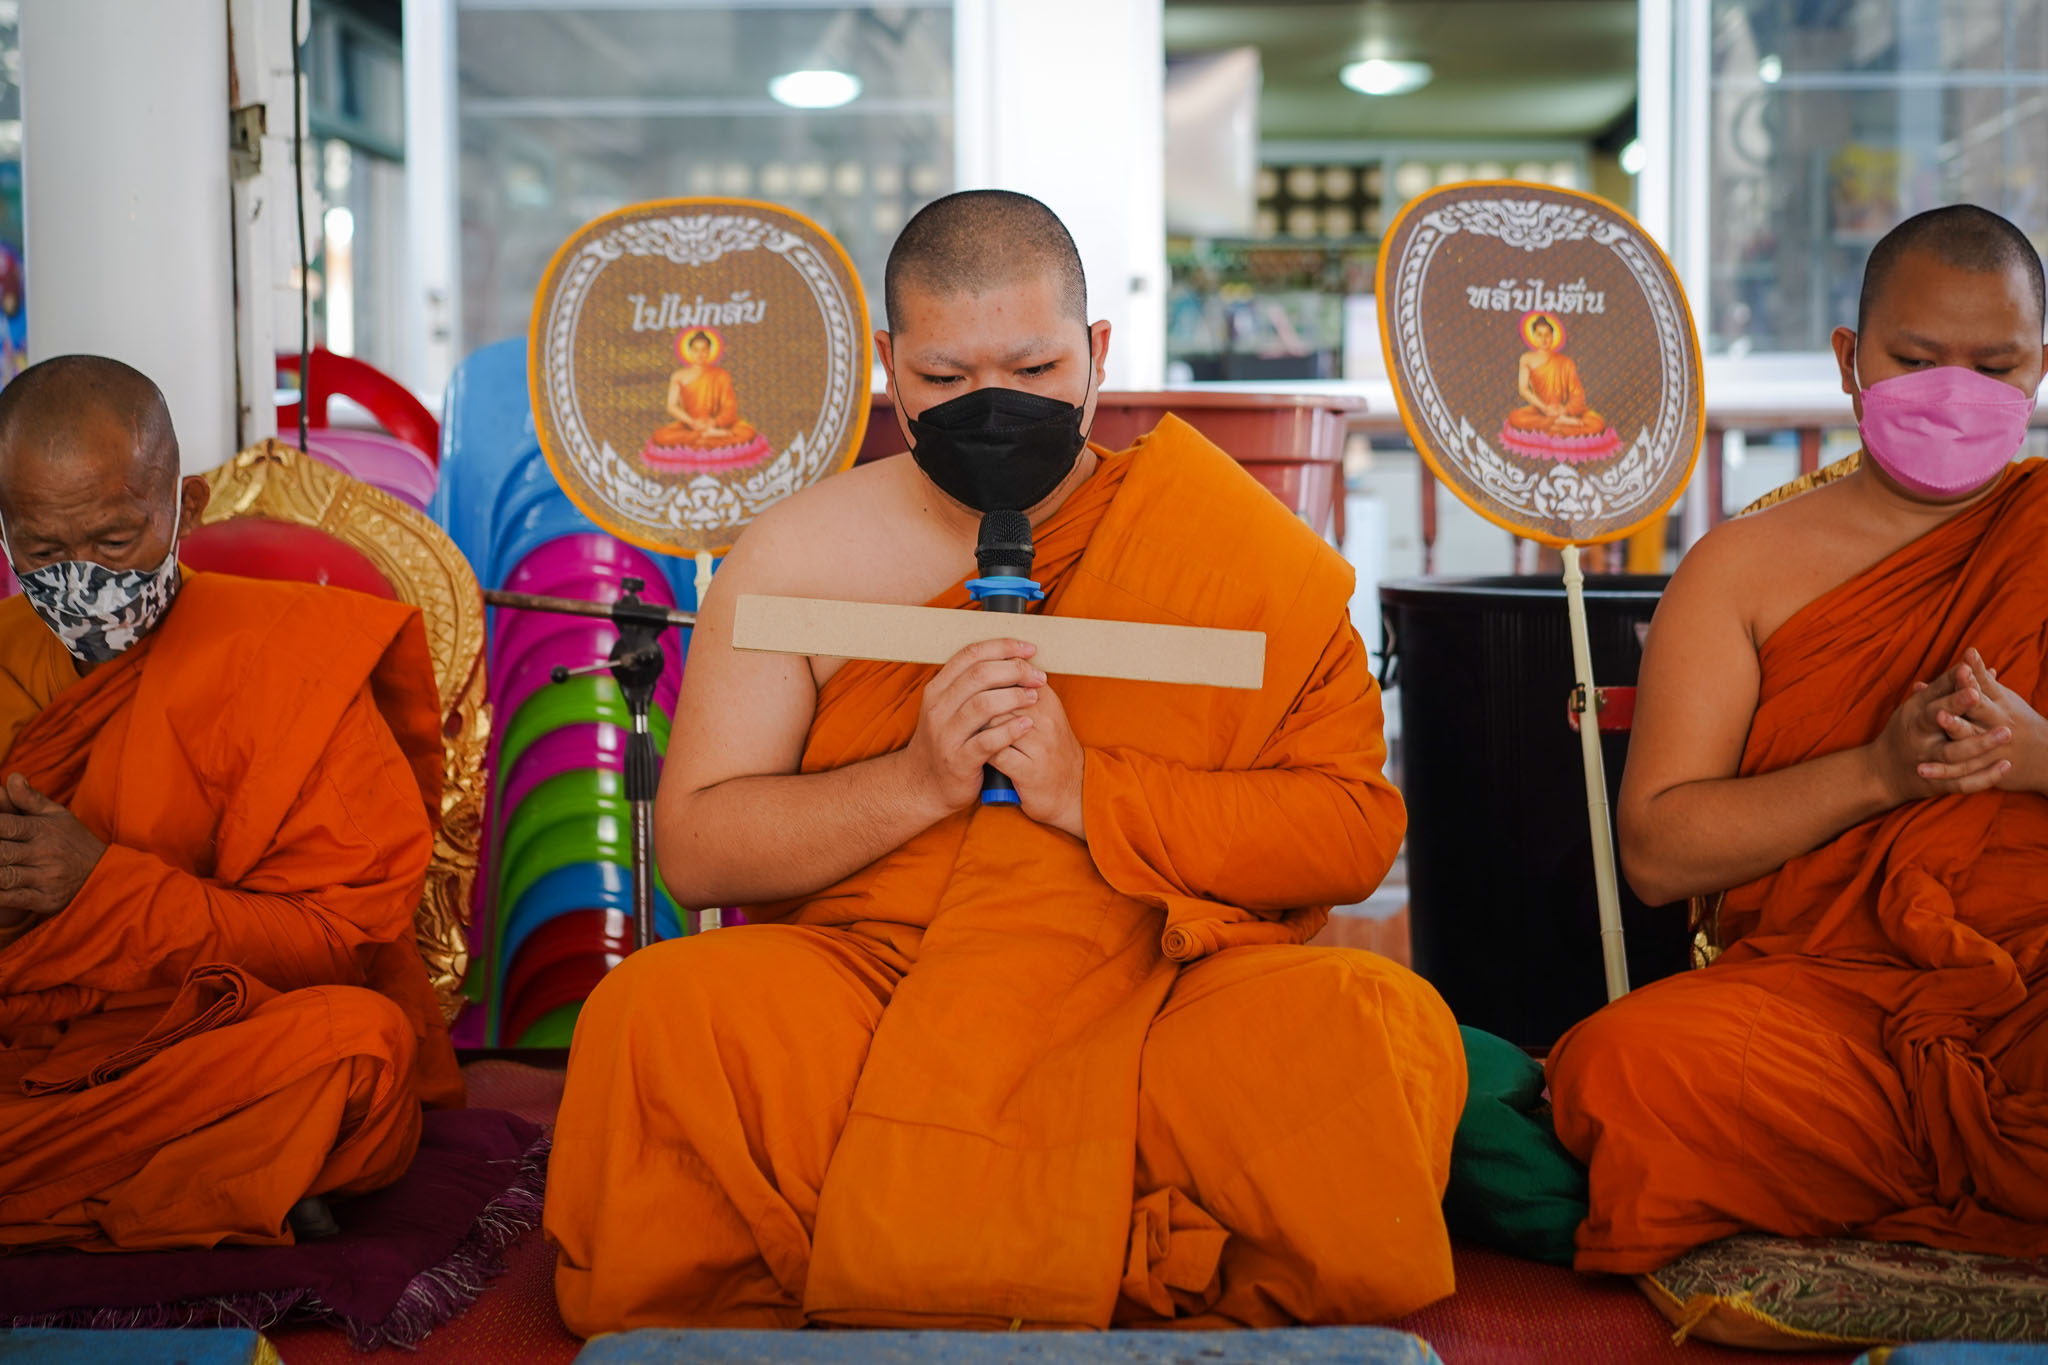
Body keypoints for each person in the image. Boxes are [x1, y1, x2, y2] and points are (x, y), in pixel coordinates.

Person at [546, 190, 1462, 1332]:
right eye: (944, 377)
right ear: (891, 365)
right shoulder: (796, 557)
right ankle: (1097, 1257)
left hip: (1152, 982)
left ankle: (883, 1253)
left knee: (1368, 1026)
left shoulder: (1235, 553)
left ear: (1096, 354)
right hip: (877, 985)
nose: (994, 406)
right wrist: (913, 782)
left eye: (1034, 370)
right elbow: (695, 850)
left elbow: (1350, 833)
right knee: (656, 1017)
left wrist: (1089, 792)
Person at [1547, 204, 2048, 1272]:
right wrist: (1879, 770)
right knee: (1622, 1070)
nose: (1954, 393)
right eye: (1916, 359)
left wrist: (2033, 754)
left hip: (2035, 982)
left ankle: (1883, 1182)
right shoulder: (1739, 570)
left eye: (1994, 366)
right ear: (1849, 360)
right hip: (1828, 1004)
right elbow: (1657, 853)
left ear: (2040, 370)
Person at [0, 355, 460, 1251]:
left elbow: (339, 941)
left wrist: (102, 889)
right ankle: (215, 1176)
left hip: (221, 1032)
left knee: (358, 1047)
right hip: (30, 1041)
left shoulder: (285, 660)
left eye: (113, 540)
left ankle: (147, 1171)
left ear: (188, 506)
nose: (80, 580)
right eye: (43, 552)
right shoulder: (7, 657)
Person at [641, 327, 772, 472]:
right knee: (661, 436)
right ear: (690, 352)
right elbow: (671, 406)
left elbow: (730, 407)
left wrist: (714, 422)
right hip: (690, 424)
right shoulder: (679, 375)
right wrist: (692, 422)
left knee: (747, 433)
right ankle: (707, 436)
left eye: (704, 350)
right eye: (696, 350)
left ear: (709, 352)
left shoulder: (721, 375)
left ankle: (702, 437)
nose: (700, 354)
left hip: (717, 425)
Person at [1501, 313, 1619, 461]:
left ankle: (1553, 425)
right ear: (1534, 337)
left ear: (1553, 337)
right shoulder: (1526, 359)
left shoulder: (1565, 362)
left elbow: (1577, 394)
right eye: (1540, 335)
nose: (1544, 339)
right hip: (1541, 409)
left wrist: (1565, 410)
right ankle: (1559, 424)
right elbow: (1523, 389)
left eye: (1547, 335)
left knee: (1598, 423)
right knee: (1516, 418)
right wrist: (1544, 408)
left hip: (1565, 410)